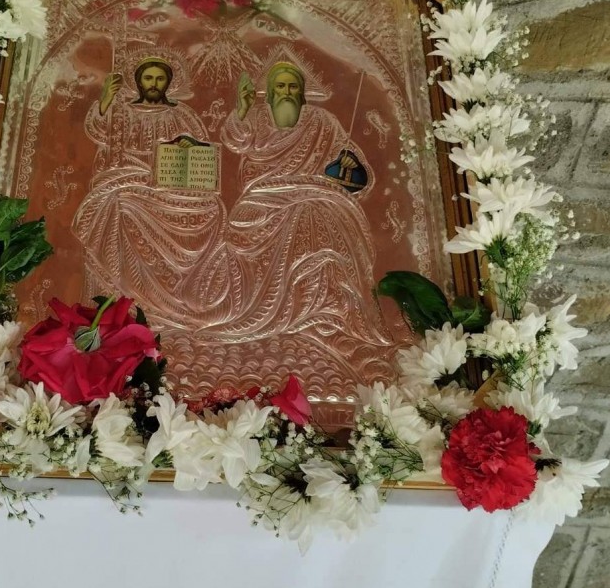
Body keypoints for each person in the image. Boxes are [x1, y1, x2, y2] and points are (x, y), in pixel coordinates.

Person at [213, 61, 392, 364]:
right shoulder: (256, 117)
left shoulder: (322, 121)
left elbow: (351, 169)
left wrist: (351, 166)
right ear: (270, 93)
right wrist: (241, 110)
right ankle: (269, 311)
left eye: (293, 86)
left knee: (317, 214)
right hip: (262, 197)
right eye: (280, 86)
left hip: (315, 192)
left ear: (302, 92)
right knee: (303, 212)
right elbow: (234, 141)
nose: (287, 92)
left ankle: (327, 314)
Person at [72, 57, 225, 316]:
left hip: (171, 185)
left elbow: (203, 153)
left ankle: (186, 296)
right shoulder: (122, 111)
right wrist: (106, 100)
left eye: (160, 79)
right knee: (123, 203)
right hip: (129, 178)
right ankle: (126, 295)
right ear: (139, 82)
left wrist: (190, 144)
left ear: (168, 83)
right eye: (148, 78)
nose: (154, 84)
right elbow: (98, 131)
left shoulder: (182, 114)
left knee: (214, 208)